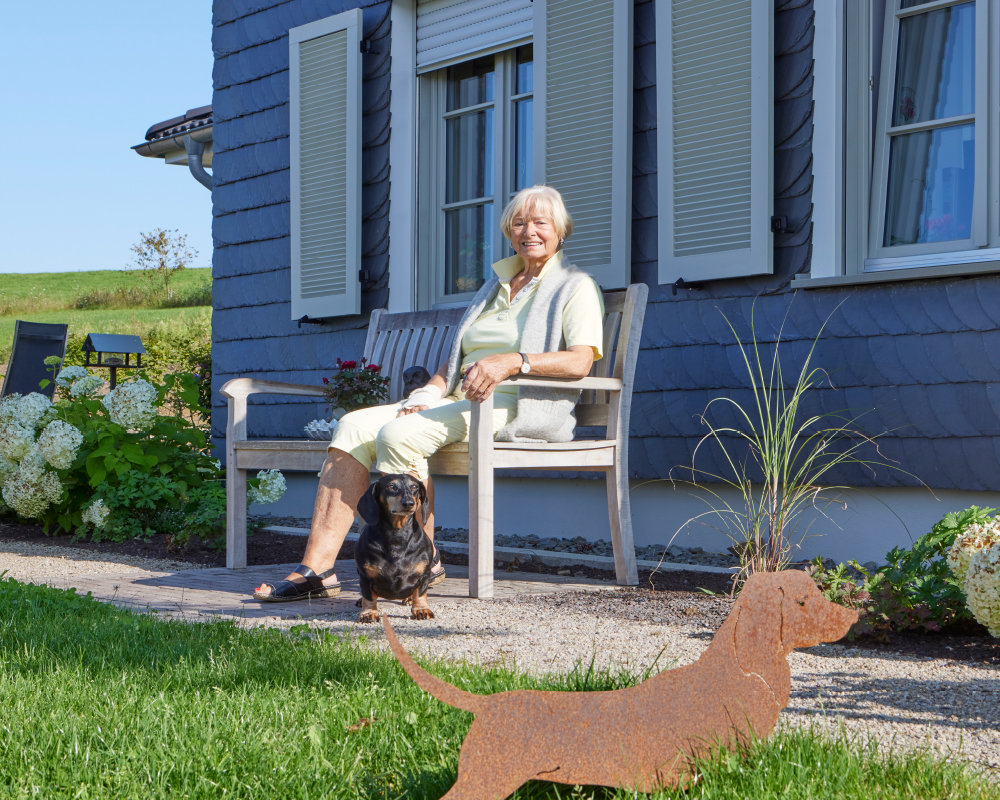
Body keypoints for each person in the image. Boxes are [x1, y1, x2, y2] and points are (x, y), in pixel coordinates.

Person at [253, 185, 606, 600]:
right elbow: (456, 361)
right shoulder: (495, 286)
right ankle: (317, 570)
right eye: (518, 222)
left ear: (560, 230)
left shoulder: (574, 285)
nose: (528, 230)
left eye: (540, 222)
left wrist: (514, 361)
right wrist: (427, 394)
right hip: (459, 399)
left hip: (516, 404)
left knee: (399, 436)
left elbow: (580, 361)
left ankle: (422, 561)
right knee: (352, 425)